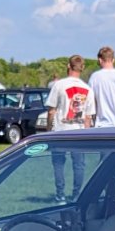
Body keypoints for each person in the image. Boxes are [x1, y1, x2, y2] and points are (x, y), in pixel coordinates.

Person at [45, 53, 95, 202]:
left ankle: (60, 194)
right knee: (79, 165)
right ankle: (76, 194)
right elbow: (88, 117)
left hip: (60, 130)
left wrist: (49, 129)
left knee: (58, 163)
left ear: (68, 66)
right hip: (79, 131)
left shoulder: (59, 85)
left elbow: (51, 110)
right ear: (82, 68)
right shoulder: (87, 89)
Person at [88, 45, 115, 127]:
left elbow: (92, 102)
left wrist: (94, 118)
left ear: (100, 60)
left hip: (101, 124)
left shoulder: (94, 77)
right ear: (113, 60)